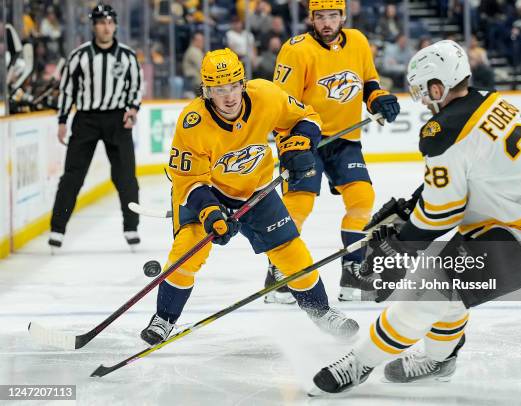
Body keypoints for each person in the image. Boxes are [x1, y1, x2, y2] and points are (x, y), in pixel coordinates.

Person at [309, 39, 521, 395]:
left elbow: (441, 213)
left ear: (438, 86)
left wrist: (403, 242)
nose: (423, 101)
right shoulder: (488, 99)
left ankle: (360, 363)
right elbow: (466, 175)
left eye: (423, 91)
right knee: (448, 285)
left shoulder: (442, 132)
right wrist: (413, 208)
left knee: (426, 291)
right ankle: (441, 360)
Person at [140, 48, 359, 345]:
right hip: (209, 193)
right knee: (186, 253)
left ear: (243, 83)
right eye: (219, 89)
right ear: (206, 92)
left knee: (291, 252)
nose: (228, 97)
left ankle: (321, 311)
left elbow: (307, 117)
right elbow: (188, 180)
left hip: (256, 191)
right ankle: (164, 318)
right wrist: (210, 213)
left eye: (233, 86)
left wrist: (299, 142)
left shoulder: (266, 96)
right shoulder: (192, 123)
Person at [264, 0, 400, 304]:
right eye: (320, 17)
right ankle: (280, 273)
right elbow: (279, 104)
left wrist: (378, 99)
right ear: (311, 18)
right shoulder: (296, 50)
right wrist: (288, 144)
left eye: (332, 16)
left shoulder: (359, 42)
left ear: (343, 16)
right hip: (304, 140)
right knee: (297, 208)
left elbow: (368, 82)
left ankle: (354, 272)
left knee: (362, 201)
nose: (326, 23)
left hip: (345, 140)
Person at [49, 3, 142, 251]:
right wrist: (62, 121)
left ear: (115, 25)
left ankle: (131, 226)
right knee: (72, 177)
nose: (106, 27)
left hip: (117, 120)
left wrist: (132, 110)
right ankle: (57, 229)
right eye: (101, 22)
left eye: (110, 22)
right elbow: (67, 90)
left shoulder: (127, 56)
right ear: (94, 26)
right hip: (86, 119)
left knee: (126, 178)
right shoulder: (79, 56)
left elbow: (135, 87)